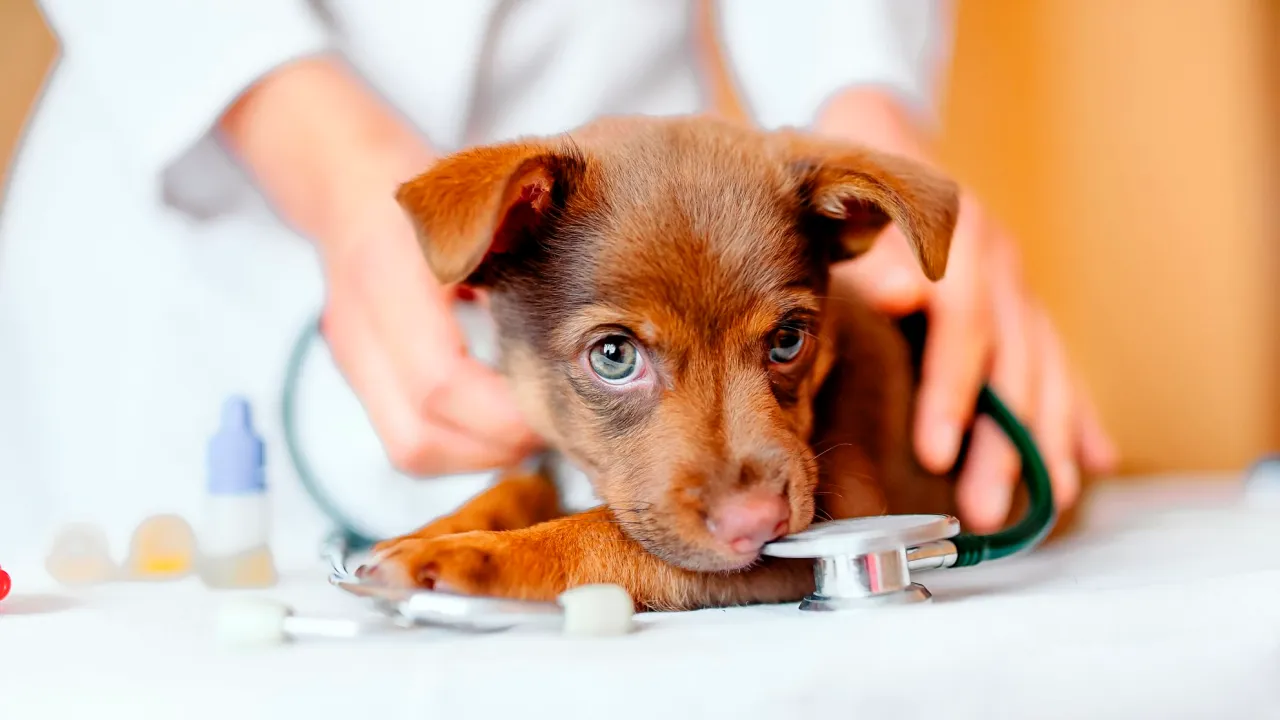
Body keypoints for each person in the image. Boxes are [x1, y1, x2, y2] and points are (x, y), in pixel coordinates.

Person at [0, 1, 1114, 562]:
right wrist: (331, 165)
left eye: (784, 345)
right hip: (194, 268)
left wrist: (855, 94)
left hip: (670, 193)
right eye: (615, 353)